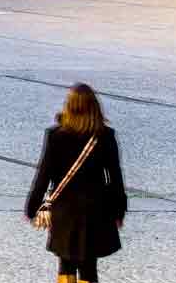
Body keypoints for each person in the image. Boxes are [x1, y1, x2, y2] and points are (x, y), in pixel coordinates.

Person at [25, 83, 127, 283]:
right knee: (89, 265)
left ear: (69, 106)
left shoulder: (56, 136)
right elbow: (115, 178)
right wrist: (119, 211)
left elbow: (43, 175)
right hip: (95, 210)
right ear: (94, 106)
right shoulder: (105, 136)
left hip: (64, 209)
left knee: (65, 262)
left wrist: (32, 208)